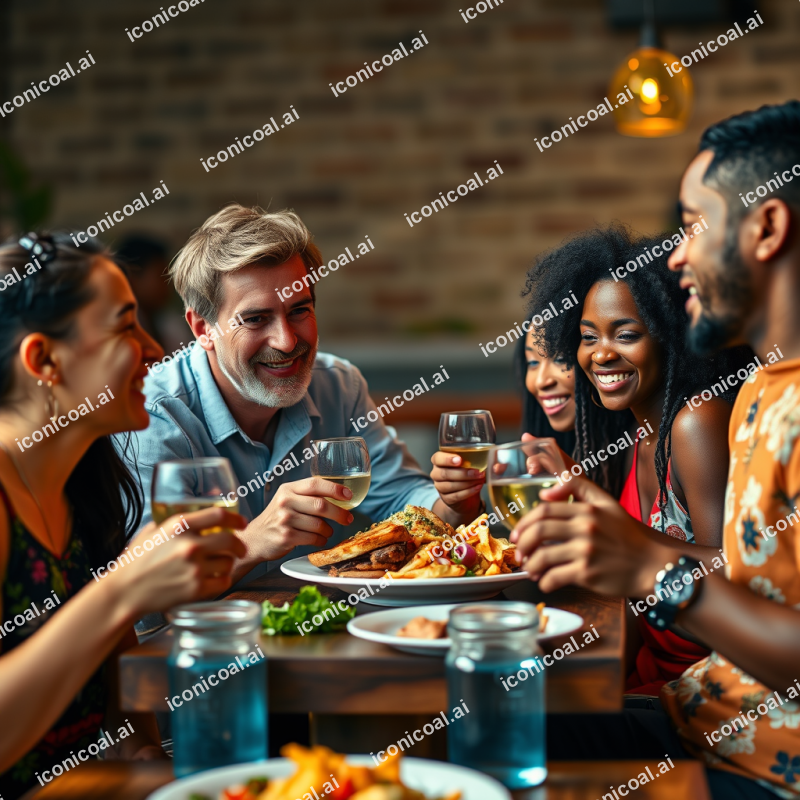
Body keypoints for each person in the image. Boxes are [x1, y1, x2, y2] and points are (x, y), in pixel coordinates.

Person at [512, 101, 800, 799]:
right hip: (702, 717)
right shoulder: (759, 392)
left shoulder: (715, 415)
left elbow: (705, 573)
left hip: (765, 766)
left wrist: (647, 562)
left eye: (695, 225)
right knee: (505, 716)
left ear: (766, 227)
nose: (677, 255)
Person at [0, 233, 246, 799]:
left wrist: (141, 752)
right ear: (44, 360)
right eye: (125, 327)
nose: (155, 349)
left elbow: (119, 707)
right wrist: (121, 590)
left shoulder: (83, 486)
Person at [117, 205, 480, 587]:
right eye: (255, 319)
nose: (286, 341)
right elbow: (145, 586)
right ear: (203, 329)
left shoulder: (338, 386)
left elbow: (403, 499)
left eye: (299, 311)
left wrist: (454, 504)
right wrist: (252, 543)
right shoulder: (153, 413)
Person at [524, 225, 741, 695]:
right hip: (647, 673)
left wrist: (616, 534)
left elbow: (734, 571)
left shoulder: (695, 422)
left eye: (625, 335)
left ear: (669, 335)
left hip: (704, 686)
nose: (602, 353)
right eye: (588, 337)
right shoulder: (638, 434)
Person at [114, 233, 188, 354]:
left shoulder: (170, 325)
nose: (168, 285)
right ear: (133, 277)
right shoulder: (114, 329)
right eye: (160, 276)